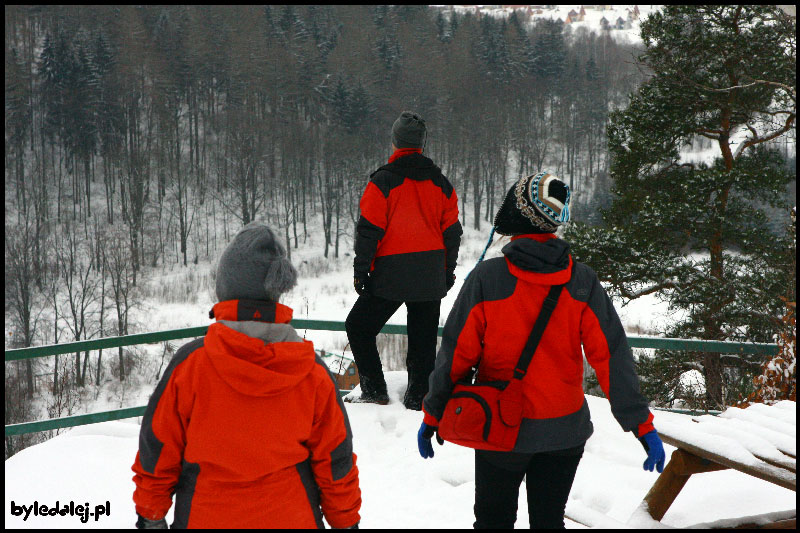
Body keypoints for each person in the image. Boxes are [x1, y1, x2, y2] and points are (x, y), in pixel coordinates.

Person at [417, 172, 665, 529]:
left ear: (518, 216)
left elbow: (457, 354)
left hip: (500, 428)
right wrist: (640, 423)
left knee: (493, 522)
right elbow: (611, 354)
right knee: (549, 523)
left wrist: (433, 412)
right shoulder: (582, 281)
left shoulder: (488, 278)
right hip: (564, 433)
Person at [132, 222, 361, 529]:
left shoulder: (191, 365)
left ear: (225, 291)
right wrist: (346, 523)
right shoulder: (310, 371)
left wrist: (151, 517)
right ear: (275, 294)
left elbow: (157, 450)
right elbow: (336, 461)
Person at [346, 111, 462, 410]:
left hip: (391, 273)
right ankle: (418, 398)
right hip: (430, 272)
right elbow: (452, 232)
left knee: (359, 327)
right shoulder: (441, 183)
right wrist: (448, 270)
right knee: (423, 341)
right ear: (421, 143)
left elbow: (369, 231)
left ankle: (374, 389)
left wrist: (362, 272)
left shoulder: (383, 181)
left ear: (396, 141)